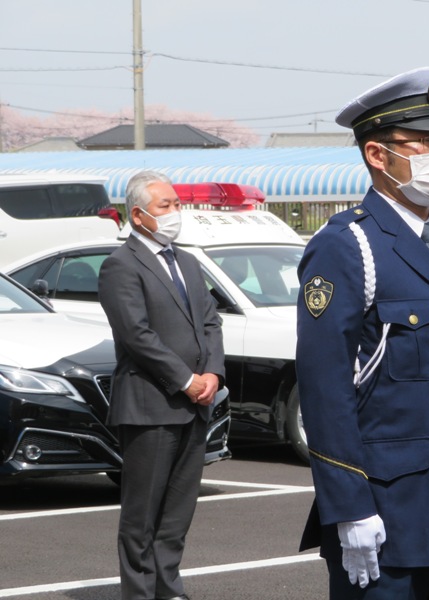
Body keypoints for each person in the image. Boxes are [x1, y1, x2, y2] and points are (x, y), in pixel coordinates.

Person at [296, 66, 429, 600]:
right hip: (390, 508)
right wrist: (349, 505)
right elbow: (325, 388)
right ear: (377, 154)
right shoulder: (348, 245)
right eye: (426, 142)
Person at [98, 170, 225, 600]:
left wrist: (213, 373)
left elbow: (210, 321)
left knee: (177, 513)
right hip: (150, 406)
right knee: (142, 515)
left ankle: (168, 589)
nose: (175, 212)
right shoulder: (121, 265)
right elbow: (137, 335)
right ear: (138, 215)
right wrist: (186, 380)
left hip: (195, 404)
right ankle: (139, 593)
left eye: (177, 204)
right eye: (165, 206)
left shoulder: (187, 261)